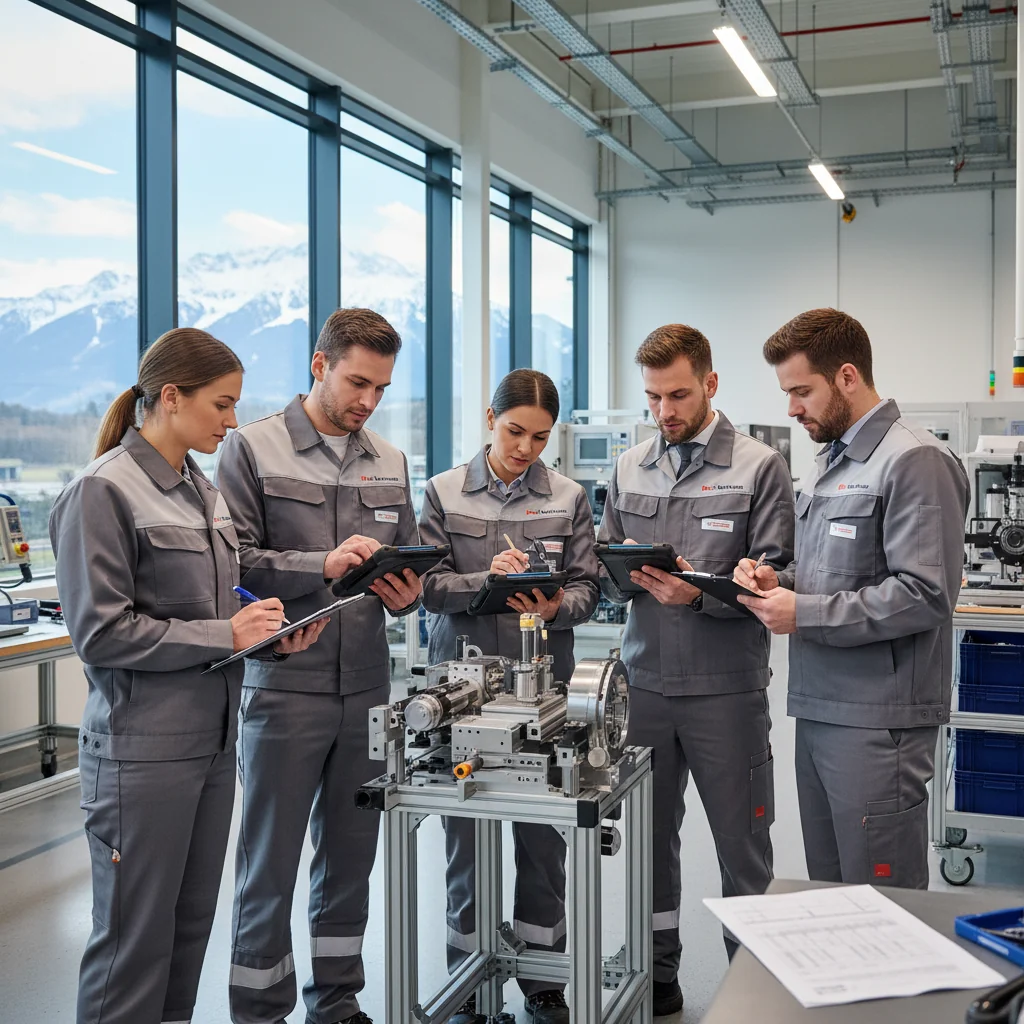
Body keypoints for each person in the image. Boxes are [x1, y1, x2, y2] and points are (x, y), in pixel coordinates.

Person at [49, 328, 326, 1024]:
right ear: (171, 398)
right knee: (133, 945)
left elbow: (215, 607)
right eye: (221, 405)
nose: (232, 422)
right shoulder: (101, 491)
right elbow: (101, 633)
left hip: (210, 746)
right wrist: (223, 633)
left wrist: (266, 640)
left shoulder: (203, 493)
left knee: (188, 931)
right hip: (139, 755)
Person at [216, 308, 423, 1024]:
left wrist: (407, 592)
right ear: (319, 364)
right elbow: (231, 562)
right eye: (357, 381)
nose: (367, 400)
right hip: (284, 687)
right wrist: (320, 566)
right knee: (267, 864)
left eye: (381, 388)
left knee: (349, 859)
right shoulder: (251, 448)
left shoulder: (391, 460)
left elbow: (409, 561)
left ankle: (336, 1002)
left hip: (367, 685)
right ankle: (259, 1009)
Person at [598, 324, 794, 1019]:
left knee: (743, 847)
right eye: (652, 397)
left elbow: (780, 576)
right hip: (644, 687)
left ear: (710, 384)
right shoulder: (628, 468)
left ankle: (754, 986)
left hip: (726, 691)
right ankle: (659, 976)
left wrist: (704, 594)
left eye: (677, 394)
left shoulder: (758, 466)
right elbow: (605, 574)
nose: (664, 410)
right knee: (650, 844)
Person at [735, 307, 970, 890]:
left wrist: (803, 613)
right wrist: (778, 584)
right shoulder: (828, 464)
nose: (791, 408)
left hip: (878, 721)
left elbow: (925, 593)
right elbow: (828, 574)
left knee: (881, 899)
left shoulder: (913, 459)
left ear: (846, 377)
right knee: (832, 891)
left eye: (800, 391)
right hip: (818, 707)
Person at [418, 369, 600, 1024]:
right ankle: (466, 984)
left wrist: (555, 602)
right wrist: (477, 580)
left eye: (540, 437)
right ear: (488, 422)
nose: (525, 448)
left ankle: (543, 979)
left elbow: (589, 591)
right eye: (514, 431)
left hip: (543, 694)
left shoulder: (569, 497)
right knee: (464, 840)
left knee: (543, 840)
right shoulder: (441, 492)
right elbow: (424, 588)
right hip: (459, 694)